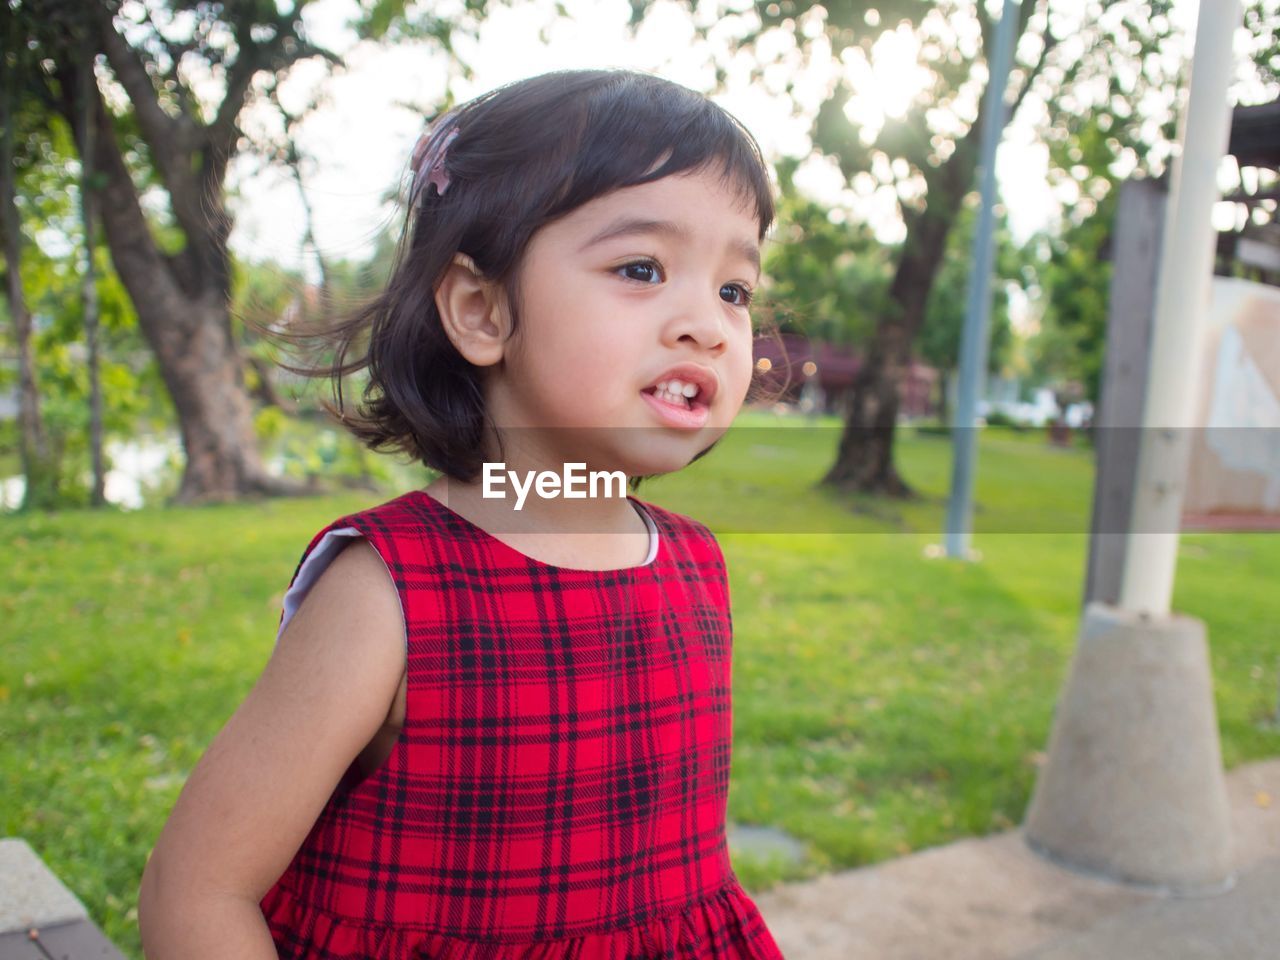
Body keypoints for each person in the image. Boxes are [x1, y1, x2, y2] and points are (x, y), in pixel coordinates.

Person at [137, 67, 787, 960]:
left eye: (735, 290)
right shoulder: (388, 594)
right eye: (642, 268)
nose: (709, 326)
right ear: (481, 311)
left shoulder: (694, 564)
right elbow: (198, 888)